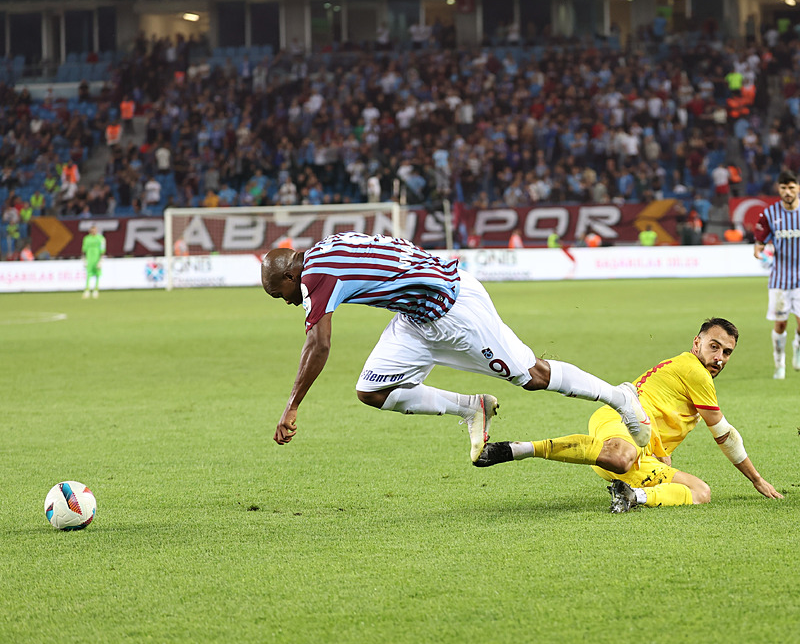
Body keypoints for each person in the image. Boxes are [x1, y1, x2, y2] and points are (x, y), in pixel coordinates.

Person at [262, 232, 650, 463]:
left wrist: (292, 405)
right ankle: (472, 408)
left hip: (451, 309)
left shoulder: (315, 274)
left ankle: (619, 397)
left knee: (531, 376)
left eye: (281, 293)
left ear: (291, 274)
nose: (286, 301)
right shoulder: (327, 247)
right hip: (415, 317)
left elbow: (319, 342)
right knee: (372, 390)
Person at [474, 318, 783, 512]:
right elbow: (725, 435)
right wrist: (756, 479)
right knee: (621, 455)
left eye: (726, 352)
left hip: (627, 449)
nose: (719, 358)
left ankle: (632, 496)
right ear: (697, 343)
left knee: (700, 492)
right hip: (621, 425)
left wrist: (660, 454)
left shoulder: (684, 370)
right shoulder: (695, 371)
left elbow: (662, 415)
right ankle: (519, 449)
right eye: (714, 347)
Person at [753, 170, 800, 379]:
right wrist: (760, 252)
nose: (788, 192)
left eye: (791, 187)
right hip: (780, 280)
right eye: (783, 188)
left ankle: (797, 350)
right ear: (778, 189)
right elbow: (759, 243)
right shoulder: (770, 214)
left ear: (797, 188)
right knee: (780, 324)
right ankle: (779, 363)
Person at [81, 224, 106, 299]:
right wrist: (84, 259)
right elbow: (84, 250)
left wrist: (101, 260)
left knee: (97, 274)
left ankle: (96, 290)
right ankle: (87, 290)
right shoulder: (86, 239)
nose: (93, 232)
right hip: (89, 259)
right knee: (88, 274)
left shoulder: (101, 238)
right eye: (92, 230)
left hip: (97, 259)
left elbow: (103, 249)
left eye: (94, 230)